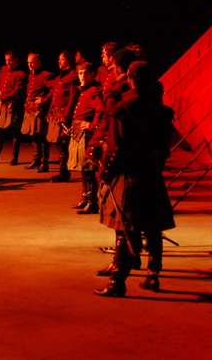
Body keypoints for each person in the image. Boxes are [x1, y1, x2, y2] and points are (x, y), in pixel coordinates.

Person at [93, 61, 175, 297]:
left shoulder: (124, 108)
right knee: (153, 225)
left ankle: (117, 282)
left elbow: (115, 147)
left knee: (124, 229)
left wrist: (105, 173)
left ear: (129, 80)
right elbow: (164, 149)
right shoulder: (161, 111)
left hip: (128, 174)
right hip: (150, 172)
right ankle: (153, 276)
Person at [67, 61, 104, 214]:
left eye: (85, 73)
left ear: (92, 74)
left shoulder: (93, 91)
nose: (82, 76)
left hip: (85, 134)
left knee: (88, 169)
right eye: (80, 73)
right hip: (78, 132)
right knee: (83, 168)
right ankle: (85, 198)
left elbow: (101, 109)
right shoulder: (84, 90)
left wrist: (91, 125)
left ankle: (92, 201)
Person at [45, 50, 77, 182]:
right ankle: (63, 171)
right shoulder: (59, 78)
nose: (59, 61)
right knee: (59, 144)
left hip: (64, 115)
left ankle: (64, 172)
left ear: (68, 61)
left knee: (63, 145)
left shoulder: (72, 77)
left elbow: (73, 97)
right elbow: (54, 97)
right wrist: (49, 112)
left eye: (61, 59)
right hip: (56, 115)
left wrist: (67, 115)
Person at [21, 52, 55, 172]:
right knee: (32, 135)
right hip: (30, 110)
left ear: (39, 62)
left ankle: (44, 163)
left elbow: (54, 90)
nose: (30, 65)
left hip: (39, 111)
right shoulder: (30, 76)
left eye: (32, 62)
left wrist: (44, 99)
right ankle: (36, 159)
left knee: (42, 137)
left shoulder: (46, 75)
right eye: (28, 63)